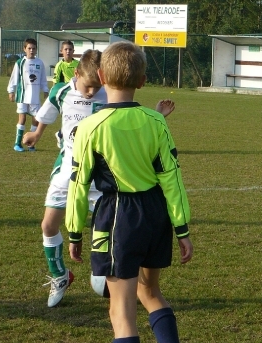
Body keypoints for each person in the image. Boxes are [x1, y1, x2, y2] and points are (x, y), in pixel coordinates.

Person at [65, 41, 193, 343]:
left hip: (119, 216)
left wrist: (73, 232)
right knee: (149, 291)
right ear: (142, 79)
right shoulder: (157, 122)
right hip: (155, 214)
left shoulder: (90, 126)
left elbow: (77, 184)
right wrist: (182, 227)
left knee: (120, 310)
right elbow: (172, 177)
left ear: (101, 78)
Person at [23, 49, 176, 308]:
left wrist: (156, 113)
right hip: (67, 173)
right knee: (48, 226)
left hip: (99, 179)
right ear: (77, 73)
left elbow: (128, 116)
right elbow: (47, 115)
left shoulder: (109, 91)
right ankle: (61, 276)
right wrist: (36, 135)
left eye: (97, 86)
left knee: (109, 252)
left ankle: (132, 281)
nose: (93, 92)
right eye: (89, 86)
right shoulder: (60, 91)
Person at [7, 38, 49, 152]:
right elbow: (14, 78)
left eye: (33, 48)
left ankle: (31, 143)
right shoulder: (20, 63)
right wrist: (11, 91)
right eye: (29, 48)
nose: (31, 50)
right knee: (22, 118)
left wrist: (45, 90)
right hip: (22, 95)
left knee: (36, 119)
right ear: (24, 49)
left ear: (36, 50)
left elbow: (43, 79)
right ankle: (17, 143)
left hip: (34, 96)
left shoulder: (39, 63)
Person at [52, 40, 80, 150]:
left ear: (73, 51)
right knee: (68, 117)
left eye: (70, 49)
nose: (68, 51)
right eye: (66, 49)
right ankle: (63, 136)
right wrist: (54, 97)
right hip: (65, 96)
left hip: (77, 94)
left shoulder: (78, 64)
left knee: (76, 117)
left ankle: (61, 134)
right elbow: (55, 83)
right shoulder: (59, 65)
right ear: (61, 51)